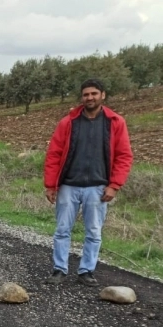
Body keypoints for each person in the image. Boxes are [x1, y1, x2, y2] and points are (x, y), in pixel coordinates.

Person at [43, 78, 133, 286]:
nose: (89, 98)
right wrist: (50, 185)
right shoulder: (68, 122)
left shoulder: (115, 122)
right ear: (82, 97)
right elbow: (54, 154)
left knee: (93, 231)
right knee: (62, 229)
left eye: (94, 94)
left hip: (98, 187)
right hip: (68, 185)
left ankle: (86, 271)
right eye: (86, 94)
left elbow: (124, 156)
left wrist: (114, 185)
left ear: (103, 95)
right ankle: (59, 269)